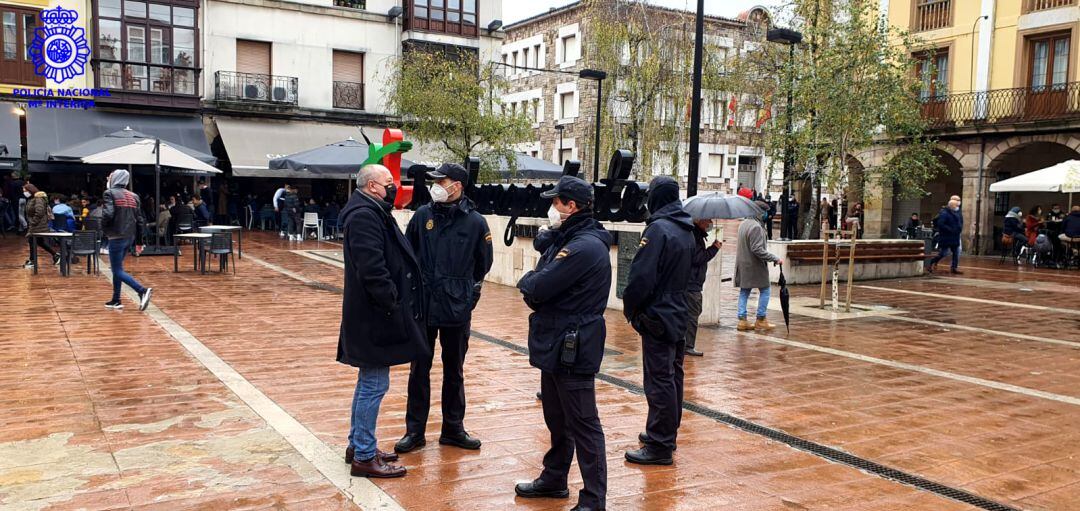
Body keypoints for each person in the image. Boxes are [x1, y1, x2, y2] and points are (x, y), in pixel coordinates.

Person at [514, 175, 611, 511]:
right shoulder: (567, 238)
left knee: (583, 423)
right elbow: (543, 277)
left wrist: (527, 281)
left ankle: (593, 500)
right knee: (557, 418)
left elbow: (538, 285)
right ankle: (554, 478)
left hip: (573, 343)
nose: (551, 208)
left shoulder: (583, 246)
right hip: (556, 340)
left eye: (556, 202)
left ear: (572, 206)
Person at [337, 164, 427, 479]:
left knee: (369, 383)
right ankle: (363, 455)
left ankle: (358, 444)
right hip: (374, 316)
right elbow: (372, 268)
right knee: (374, 384)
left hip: (373, 313)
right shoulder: (364, 216)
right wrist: (392, 301)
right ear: (373, 185)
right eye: (389, 182)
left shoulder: (373, 210)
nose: (394, 186)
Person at [397, 164, 493, 454]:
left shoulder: (475, 222)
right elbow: (407, 254)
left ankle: (453, 428)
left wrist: (465, 295)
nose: (437, 185)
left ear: (458, 186)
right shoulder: (422, 216)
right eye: (435, 180)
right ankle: (414, 431)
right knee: (419, 369)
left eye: (443, 180)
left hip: (455, 308)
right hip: (424, 306)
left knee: (454, 371)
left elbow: (483, 264)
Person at [623, 176, 695, 467]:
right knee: (673, 377)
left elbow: (641, 278)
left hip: (658, 313)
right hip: (678, 311)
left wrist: (632, 309)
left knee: (659, 381)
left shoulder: (658, 230)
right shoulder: (685, 229)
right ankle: (665, 433)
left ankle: (660, 444)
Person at [101, 169, 153, 311]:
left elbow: (108, 214)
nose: (108, 179)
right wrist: (139, 241)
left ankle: (141, 290)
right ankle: (116, 299)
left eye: (110, 176)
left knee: (116, 270)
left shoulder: (109, 193)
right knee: (118, 268)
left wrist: (104, 229)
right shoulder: (134, 196)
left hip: (116, 236)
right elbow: (140, 220)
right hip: (129, 237)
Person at [735, 200, 781, 332]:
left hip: (743, 264)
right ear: (759, 212)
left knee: (744, 291)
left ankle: (742, 320)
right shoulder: (756, 226)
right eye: (765, 212)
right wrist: (774, 258)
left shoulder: (743, 224)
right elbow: (757, 249)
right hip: (754, 265)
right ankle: (761, 319)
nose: (766, 214)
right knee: (765, 289)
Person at [685, 218, 721, 357]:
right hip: (692, 283)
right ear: (700, 221)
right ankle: (688, 346)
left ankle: (684, 343)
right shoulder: (695, 236)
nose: (710, 223)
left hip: (691, 282)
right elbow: (698, 258)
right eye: (707, 221)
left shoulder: (695, 234)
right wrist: (714, 249)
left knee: (693, 312)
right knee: (693, 314)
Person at [23, 184, 60, 267]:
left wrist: (33, 222)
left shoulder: (38, 199)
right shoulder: (32, 198)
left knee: (32, 241)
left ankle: (32, 261)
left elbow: (39, 212)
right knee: (39, 242)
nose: (24, 192)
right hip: (36, 224)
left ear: (30, 190)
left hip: (38, 225)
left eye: (25, 191)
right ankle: (56, 255)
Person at [928, 197, 963, 274]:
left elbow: (960, 222)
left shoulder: (957, 212)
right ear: (951, 205)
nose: (957, 206)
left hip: (955, 236)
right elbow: (941, 224)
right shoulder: (944, 213)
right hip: (946, 237)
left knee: (956, 252)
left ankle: (954, 268)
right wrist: (950, 229)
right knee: (944, 253)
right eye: (956, 205)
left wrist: (959, 229)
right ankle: (932, 262)